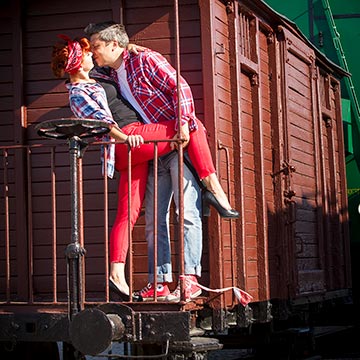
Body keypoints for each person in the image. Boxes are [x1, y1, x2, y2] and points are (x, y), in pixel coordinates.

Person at [51, 34, 238, 301]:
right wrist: (126, 138)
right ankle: (214, 189)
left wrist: (129, 47)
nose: (93, 54)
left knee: (128, 213)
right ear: (79, 63)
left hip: (134, 148)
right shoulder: (79, 92)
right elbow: (103, 124)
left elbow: (115, 54)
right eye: (88, 53)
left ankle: (119, 275)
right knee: (188, 123)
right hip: (131, 140)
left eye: (95, 50)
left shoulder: (101, 76)